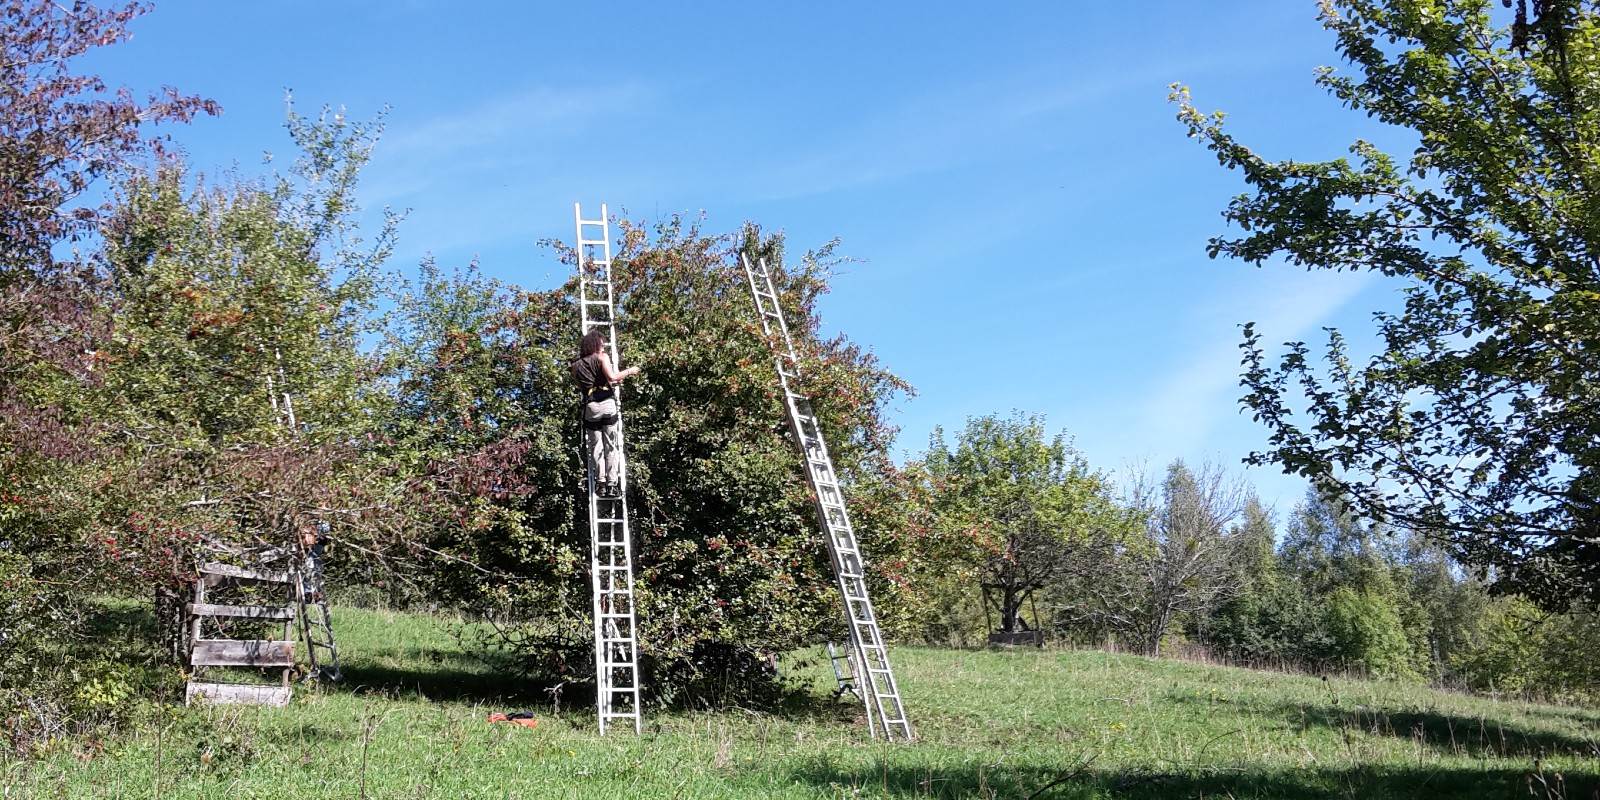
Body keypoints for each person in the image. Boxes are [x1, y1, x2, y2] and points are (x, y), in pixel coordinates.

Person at [570, 328, 639, 497]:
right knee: (611, 445)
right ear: (595, 344)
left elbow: (584, 388)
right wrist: (630, 371)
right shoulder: (602, 357)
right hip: (607, 404)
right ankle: (612, 484)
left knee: (596, 447)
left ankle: (600, 483)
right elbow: (613, 377)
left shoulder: (575, 366)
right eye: (601, 344)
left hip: (591, 407)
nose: (603, 347)